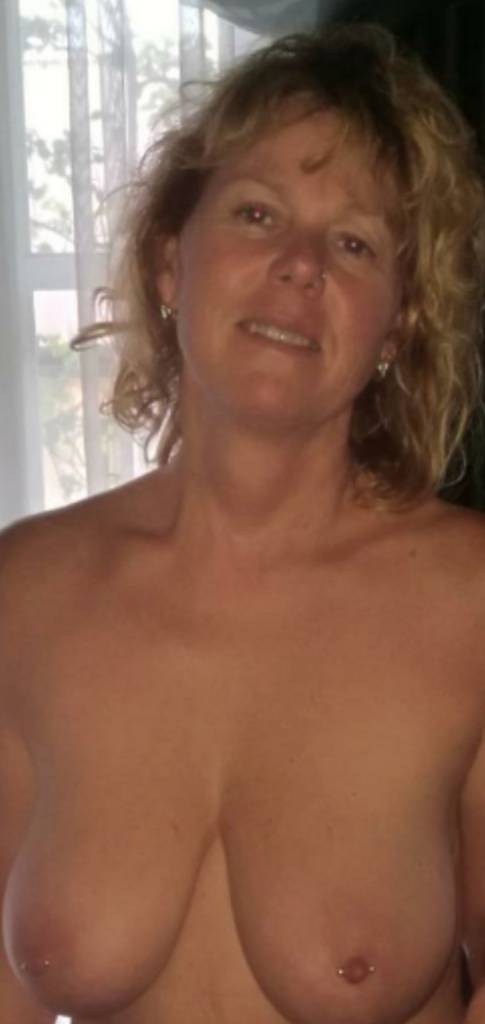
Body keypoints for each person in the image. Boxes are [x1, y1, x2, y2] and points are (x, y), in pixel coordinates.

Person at [1, 21, 485, 1024]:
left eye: (353, 242)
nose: (300, 264)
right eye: (258, 213)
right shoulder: (25, 592)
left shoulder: (468, 604)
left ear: (395, 324)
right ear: (169, 264)